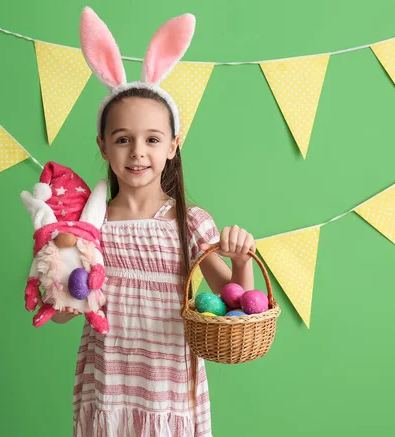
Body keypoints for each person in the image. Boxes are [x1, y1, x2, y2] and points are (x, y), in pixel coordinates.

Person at [55, 7, 257, 436]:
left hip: (166, 390)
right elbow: (62, 313)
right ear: (103, 147)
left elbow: (236, 304)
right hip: (108, 387)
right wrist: (61, 273)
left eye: (152, 139)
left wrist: (242, 261)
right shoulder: (89, 224)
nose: (137, 152)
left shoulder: (189, 221)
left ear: (173, 146)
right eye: (123, 139)